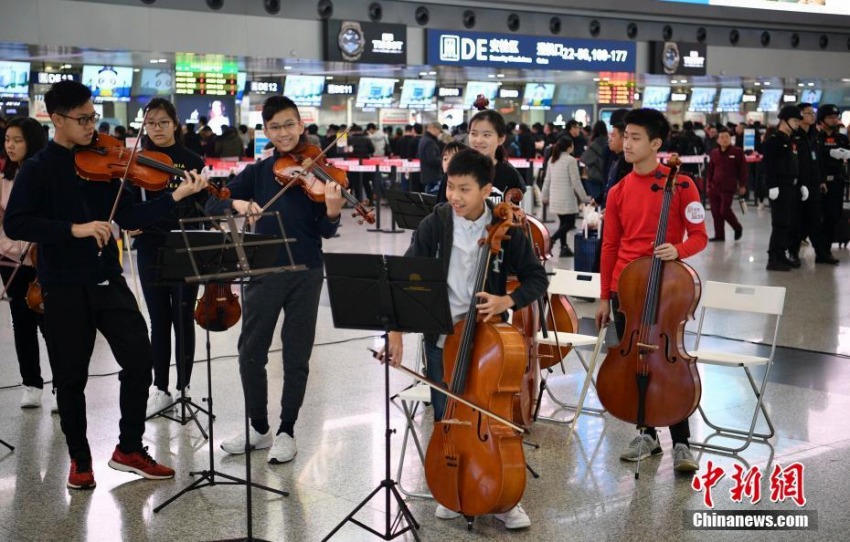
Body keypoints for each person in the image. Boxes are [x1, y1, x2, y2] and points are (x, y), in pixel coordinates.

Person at [3, 80, 208, 490]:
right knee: (71, 377)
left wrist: (177, 195)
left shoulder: (104, 160)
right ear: (56, 119)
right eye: (83, 119)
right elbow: (16, 222)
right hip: (63, 285)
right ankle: (80, 460)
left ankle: (129, 448)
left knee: (139, 359)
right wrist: (74, 228)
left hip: (107, 278)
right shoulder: (39, 168)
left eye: (93, 116)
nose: (91, 125)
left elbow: (130, 215)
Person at [381, 148, 548, 530]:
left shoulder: (507, 230)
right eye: (451, 187)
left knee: (496, 416)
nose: (454, 197)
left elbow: (537, 279)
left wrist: (508, 299)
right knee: (449, 416)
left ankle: (505, 498)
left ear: (487, 189)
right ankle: (454, 486)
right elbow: (409, 276)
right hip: (443, 338)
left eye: (465, 189)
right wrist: (395, 331)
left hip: (489, 341)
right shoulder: (437, 222)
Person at [207, 95, 343, 464]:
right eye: (275, 127)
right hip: (263, 270)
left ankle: (287, 429)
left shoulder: (318, 170)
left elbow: (325, 231)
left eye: (289, 124)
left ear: (301, 125)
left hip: (306, 271)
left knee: (296, 355)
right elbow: (211, 202)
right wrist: (235, 204)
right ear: (266, 131)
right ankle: (258, 427)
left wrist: (331, 212)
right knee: (251, 352)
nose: (283, 133)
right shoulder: (259, 172)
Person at [594, 108, 707, 473]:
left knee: (665, 363)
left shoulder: (683, 184)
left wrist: (678, 250)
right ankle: (646, 434)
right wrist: (603, 295)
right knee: (635, 362)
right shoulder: (617, 191)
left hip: (665, 287)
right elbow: (609, 246)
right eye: (625, 135)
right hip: (624, 291)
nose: (626, 143)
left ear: (656, 144)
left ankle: (683, 442)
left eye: (635, 137)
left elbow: (701, 236)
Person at [131, 98, 207, 417]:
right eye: (151, 123)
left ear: (175, 123)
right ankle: (159, 388)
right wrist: (130, 221)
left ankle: (183, 387)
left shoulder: (192, 159)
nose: (157, 129)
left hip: (186, 245)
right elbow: (129, 205)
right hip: (150, 245)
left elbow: (203, 204)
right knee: (158, 320)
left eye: (163, 122)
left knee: (183, 318)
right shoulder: (137, 160)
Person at [1, 117, 51, 409]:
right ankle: (31, 383)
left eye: (17, 140)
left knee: (51, 323)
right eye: (7, 139)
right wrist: (11, 248)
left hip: (44, 260)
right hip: (10, 260)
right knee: (21, 322)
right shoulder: (3, 181)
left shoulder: (45, 175)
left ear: (31, 142)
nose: (10, 145)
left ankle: (62, 383)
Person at [791, 103, 835, 265]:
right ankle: (793, 253)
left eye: (813, 113)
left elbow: (819, 160)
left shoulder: (814, 135)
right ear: (800, 115)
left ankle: (822, 254)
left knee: (816, 221)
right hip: (798, 186)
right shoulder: (794, 135)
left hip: (814, 185)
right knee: (797, 222)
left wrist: (822, 179)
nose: (812, 116)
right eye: (808, 113)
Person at [763, 105, 806, 272]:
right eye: (795, 120)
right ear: (784, 120)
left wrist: (801, 184)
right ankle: (773, 258)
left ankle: (781, 255)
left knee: (788, 223)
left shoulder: (792, 140)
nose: (797, 124)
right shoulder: (774, 140)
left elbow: (797, 164)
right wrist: (772, 185)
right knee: (779, 223)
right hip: (779, 187)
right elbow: (769, 166)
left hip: (792, 186)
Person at [542, 136, 592, 257]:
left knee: (563, 222)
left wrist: (544, 195)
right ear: (569, 147)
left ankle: (564, 248)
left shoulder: (552, 160)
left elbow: (547, 180)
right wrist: (584, 198)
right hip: (566, 198)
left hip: (555, 197)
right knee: (569, 223)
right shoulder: (571, 160)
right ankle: (552, 240)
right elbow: (576, 182)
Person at [467, 109, 526, 201]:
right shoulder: (457, 170)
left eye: (486, 135)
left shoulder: (510, 175)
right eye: (474, 134)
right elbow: (442, 211)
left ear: (501, 139)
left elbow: (515, 212)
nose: (478, 140)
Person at [816, 104, 848, 262]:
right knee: (817, 217)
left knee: (833, 217)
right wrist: (828, 152)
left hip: (837, 182)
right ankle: (819, 250)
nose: (834, 120)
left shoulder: (842, 138)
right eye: (830, 117)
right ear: (822, 119)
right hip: (820, 183)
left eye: (836, 117)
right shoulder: (815, 137)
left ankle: (826, 251)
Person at [705, 127, 746, 242]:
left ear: (730, 139)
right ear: (718, 140)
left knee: (724, 210)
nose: (724, 139)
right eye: (722, 137)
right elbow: (710, 171)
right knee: (715, 212)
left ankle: (737, 227)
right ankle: (719, 235)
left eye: (727, 137)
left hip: (728, 187)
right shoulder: (714, 153)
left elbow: (742, 169)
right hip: (714, 187)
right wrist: (708, 185)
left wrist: (742, 185)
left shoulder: (737, 152)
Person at [580, 121, 609, 200]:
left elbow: (584, 159)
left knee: (596, 201)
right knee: (605, 200)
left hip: (594, 175)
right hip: (606, 175)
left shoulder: (593, 144)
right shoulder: (609, 142)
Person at [418, 121, 443, 191]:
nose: (439, 133)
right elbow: (432, 159)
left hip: (425, 175)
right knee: (432, 199)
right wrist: (444, 161)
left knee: (427, 198)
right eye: (439, 131)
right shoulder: (430, 142)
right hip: (432, 176)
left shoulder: (423, 139)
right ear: (433, 128)